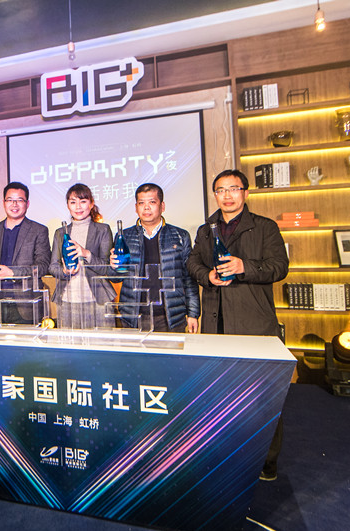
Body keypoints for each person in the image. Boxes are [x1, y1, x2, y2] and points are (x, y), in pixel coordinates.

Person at [187, 169, 289, 481]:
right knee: (219, 394)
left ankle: (267, 460)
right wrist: (207, 276)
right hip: (215, 322)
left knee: (262, 395)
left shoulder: (265, 227)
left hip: (253, 322)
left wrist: (245, 266)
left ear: (245, 192)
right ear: (215, 195)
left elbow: (279, 267)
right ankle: (226, 452)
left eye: (234, 188)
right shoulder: (206, 230)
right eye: (221, 190)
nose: (227, 195)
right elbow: (193, 263)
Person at [111, 183, 200, 333]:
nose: (146, 208)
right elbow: (116, 277)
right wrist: (113, 267)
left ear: (162, 206)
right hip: (134, 316)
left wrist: (193, 313)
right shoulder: (124, 237)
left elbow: (189, 278)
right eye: (141, 203)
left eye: (152, 202)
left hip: (170, 317)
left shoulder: (180, 236)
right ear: (136, 208)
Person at [0, 182, 51, 324]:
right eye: (10, 200)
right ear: (4, 203)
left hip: (26, 305)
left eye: (19, 200)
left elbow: (43, 266)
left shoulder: (39, 231)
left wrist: (13, 273)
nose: (14, 204)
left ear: (27, 204)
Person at [48, 183, 116, 329]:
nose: (78, 207)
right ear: (68, 205)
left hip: (98, 300)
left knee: (102, 342)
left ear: (91, 204)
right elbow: (53, 267)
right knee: (70, 343)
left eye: (83, 201)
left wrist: (87, 254)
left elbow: (107, 268)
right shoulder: (60, 233)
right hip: (67, 300)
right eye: (73, 202)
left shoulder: (103, 230)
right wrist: (64, 271)